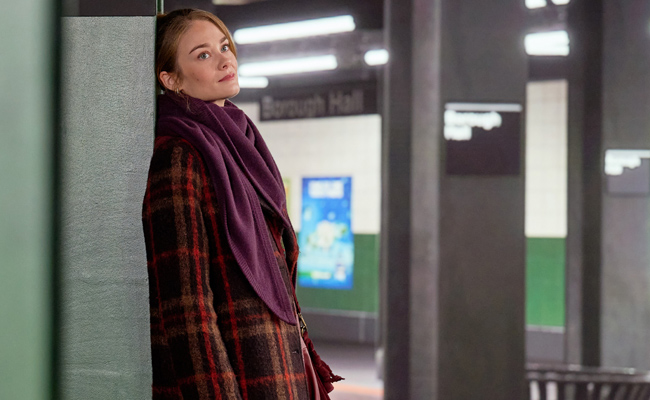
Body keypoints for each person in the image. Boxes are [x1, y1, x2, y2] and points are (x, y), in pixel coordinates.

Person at [142, 8, 341, 400]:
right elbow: (186, 311)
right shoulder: (178, 156)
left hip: (278, 369)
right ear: (171, 79)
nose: (224, 60)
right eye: (203, 54)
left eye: (224, 46)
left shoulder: (242, 146)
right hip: (241, 380)